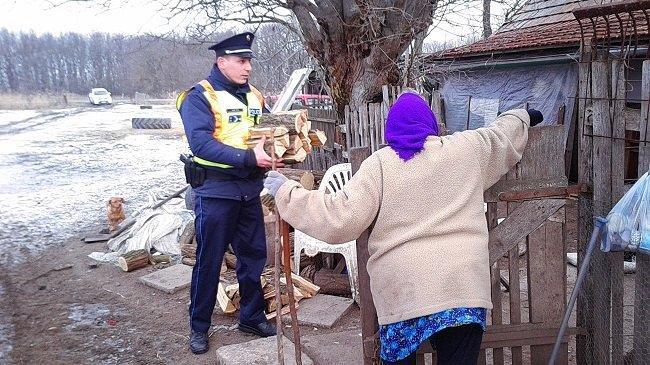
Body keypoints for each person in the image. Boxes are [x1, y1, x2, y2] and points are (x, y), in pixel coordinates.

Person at [264, 91, 543, 364]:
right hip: (462, 292)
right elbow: (501, 136)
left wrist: (286, 192)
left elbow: (340, 218)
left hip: (404, 296)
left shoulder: (380, 166)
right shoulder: (467, 150)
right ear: (432, 125)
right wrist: (523, 116)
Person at [176, 32, 282, 355]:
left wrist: (282, 149)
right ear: (221, 62)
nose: (248, 67)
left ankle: (251, 317)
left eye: (249, 60)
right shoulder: (198, 97)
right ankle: (199, 327)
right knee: (209, 261)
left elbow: (267, 133)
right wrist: (249, 158)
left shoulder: (256, 97)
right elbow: (202, 145)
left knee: (253, 259)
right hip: (216, 193)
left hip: (249, 191)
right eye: (241, 61)